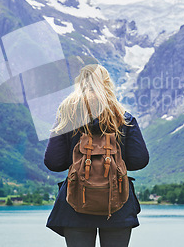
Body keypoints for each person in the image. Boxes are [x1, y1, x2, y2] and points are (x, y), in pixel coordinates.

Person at [44, 64, 149, 247]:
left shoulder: (67, 117)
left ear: (80, 84)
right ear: (107, 84)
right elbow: (139, 160)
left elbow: (54, 162)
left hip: (75, 202)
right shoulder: (124, 118)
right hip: (118, 203)